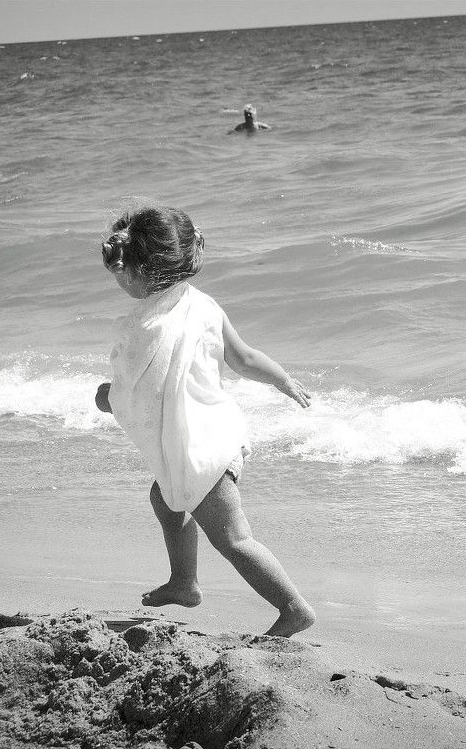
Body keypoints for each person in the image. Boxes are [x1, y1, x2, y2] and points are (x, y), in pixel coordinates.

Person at [94, 205, 316, 636]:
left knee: (233, 538)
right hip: (216, 432)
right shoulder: (203, 305)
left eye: (121, 272)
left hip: (202, 451)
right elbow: (244, 358)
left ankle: (294, 609)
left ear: (140, 271)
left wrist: (107, 398)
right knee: (164, 498)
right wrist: (282, 379)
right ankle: (184, 582)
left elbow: (134, 393)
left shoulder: (145, 328)